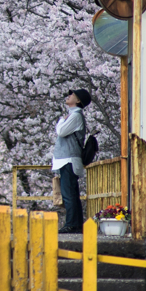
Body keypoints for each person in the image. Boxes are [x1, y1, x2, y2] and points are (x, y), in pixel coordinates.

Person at [52, 88, 91, 233]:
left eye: (72, 95)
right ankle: (76, 224)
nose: (68, 96)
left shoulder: (75, 116)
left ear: (78, 100)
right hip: (66, 159)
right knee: (71, 193)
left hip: (68, 159)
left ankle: (71, 224)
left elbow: (61, 132)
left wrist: (62, 120)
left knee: (69, 194)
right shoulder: (73, 116)